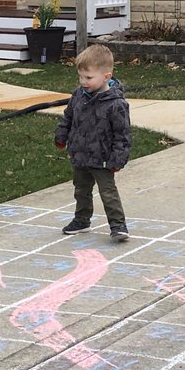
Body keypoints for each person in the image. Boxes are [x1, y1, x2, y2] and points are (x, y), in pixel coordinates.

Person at [54, 43, 131, 241]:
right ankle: (82, 220)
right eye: (81, 77)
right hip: (80, 153)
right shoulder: (78, 95)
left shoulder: (116, 104)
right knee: (81, 190)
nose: (83, 82)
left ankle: (118, 225)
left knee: (108, 192)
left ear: (106, 76)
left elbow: (122, 134)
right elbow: (68, 117)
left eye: (88, 78)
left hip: (103, 157)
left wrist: (118, 159)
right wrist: (61, 136)